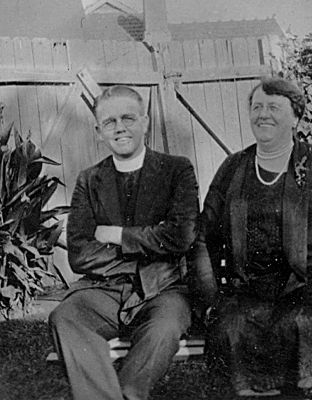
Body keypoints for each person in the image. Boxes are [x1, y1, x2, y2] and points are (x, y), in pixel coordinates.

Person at [191, 76, 312, 398]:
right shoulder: (233, 168)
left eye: (274, 107)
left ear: (296, 116)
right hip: (248, 286)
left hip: (309, 284)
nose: (263, 114)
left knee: (303, 323)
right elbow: (204, 238)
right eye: (257, 107)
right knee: (231, 329)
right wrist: (210, 298)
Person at [48, 85, 200, 400]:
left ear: (144, 122)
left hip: (163, 289)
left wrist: (115, 235)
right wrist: (152, 240)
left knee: (164, 327)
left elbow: (181, 236)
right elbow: (79, 253)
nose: (120, 128)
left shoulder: (176, 170)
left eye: (128, 118)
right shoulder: (90, 179)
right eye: (109, 122)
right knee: (66, 316)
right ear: (98, 131)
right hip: (104, 290)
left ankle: (132, 393)